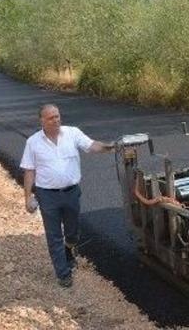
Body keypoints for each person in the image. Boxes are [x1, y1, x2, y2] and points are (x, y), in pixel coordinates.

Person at [20, 104, 175, 288]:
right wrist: (28, 197)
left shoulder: (72, 133)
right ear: (42, 121)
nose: (56, 120)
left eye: (57, 116)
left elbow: (92, 146)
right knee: (54, 236)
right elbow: (29, 171)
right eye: (51, 118)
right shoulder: (33, 142)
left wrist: (112, 147)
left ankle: (69, 247)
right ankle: (63, 273)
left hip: (71, 193)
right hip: (47, 195)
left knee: (72, 233)